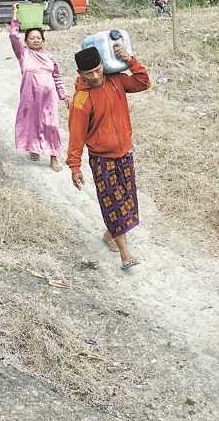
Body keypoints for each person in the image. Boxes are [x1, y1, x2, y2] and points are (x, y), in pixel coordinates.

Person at [67, 45, 150, 270]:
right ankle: (126, 255)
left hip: (124, 153)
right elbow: (76, 137)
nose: (94, 76)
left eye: (97, 70)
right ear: (80, 74)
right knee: (113, 203)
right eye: (88, 74)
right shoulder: (81, 100)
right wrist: (75, 167)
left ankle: (110, 234)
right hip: (102, 159)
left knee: (128, 200)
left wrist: (130, 60)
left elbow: (143, 82)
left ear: (103, 64)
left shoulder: (117, 81)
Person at [9, 4, 70, 171]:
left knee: (51, 125)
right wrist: (15, 15)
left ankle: (54, 157)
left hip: (48, 97)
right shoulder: (23, 53)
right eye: (32, 37)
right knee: (31, 122)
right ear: (26, 41)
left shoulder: (49, 56)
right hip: (29, 95)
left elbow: (57, 77)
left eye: (39, 38)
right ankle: (34, 149)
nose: (35, 40)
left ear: (43, 40)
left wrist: (64, 95)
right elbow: (13, 36)